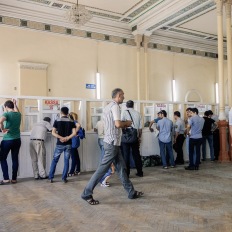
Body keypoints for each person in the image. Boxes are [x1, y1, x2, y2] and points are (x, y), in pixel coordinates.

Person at [81, 88, 143, 205]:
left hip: (113, 142)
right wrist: (127, 123)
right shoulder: (115, 107)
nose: (124, 98)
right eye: (123, 95)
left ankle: (131, 192)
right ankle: (86, 193)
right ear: (118, 96)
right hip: (112, 143)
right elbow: (118, 124)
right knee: (102, 169)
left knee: (121, 168)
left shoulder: (108, 107)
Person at [48, 107, 76, 183]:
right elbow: (74, 133)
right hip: (68, 144)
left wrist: (61, 137)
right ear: (68, 112)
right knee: (66, 161)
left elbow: (53, 132)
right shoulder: (71, 121)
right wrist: (67, 138)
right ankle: (64, 178)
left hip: (59, 144)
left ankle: (51, 177)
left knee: (55, 160)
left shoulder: (57, 120)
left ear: (61, 112)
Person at [0, 99, 21, 185]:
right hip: (17, 140)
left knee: (2, 158)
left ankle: (6, 179)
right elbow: (16, 111)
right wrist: (15, 104)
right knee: (15, 159)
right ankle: (14, 179)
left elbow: (0, 121)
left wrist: (2, 129)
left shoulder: (6, 114)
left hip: (8, 140)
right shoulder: (19, 114)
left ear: (6, 107)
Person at [121, 100, 143, 178]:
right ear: (133, 105)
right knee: (136, 154)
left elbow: (121, 124)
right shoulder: (138, 114)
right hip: (134, 137)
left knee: (126, 155)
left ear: (126, 106)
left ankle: (127, 174)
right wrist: (139, 137)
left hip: (126, 137)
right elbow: (140, 128)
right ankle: (140, 172)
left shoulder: (124, 112)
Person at [94, 119, 113, 187]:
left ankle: (103, 178)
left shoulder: (99, 122)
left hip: (100, 139)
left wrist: (99, 132)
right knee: (105, 158)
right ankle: (103, 179)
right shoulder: (108, 122)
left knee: (103, 156)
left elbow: (95, 129)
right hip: (105, 140)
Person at [68, 112, 81, 176]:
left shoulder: (74, 122)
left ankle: (71, 172)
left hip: (73, 142)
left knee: (73, 157)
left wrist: (74, 133)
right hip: (75, 141)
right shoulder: (75, 122)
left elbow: (78, 126)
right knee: (76, 156)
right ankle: (78, 170)